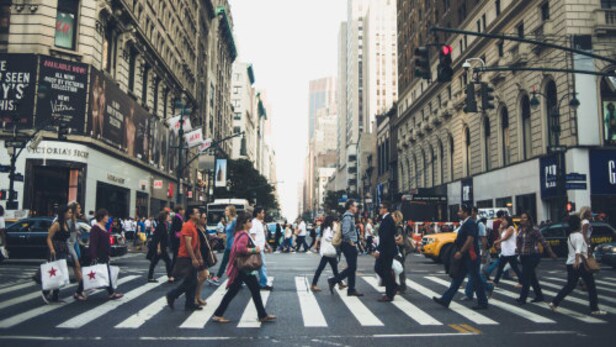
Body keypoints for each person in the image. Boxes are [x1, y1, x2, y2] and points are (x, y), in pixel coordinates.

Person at [212, 213, 276, 323]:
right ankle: (218, 314)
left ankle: (262, 315)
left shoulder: (243, 233)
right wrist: (253, 250)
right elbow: (239, 249)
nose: (251, 223)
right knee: (237, 292)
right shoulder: (243, 235)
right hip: (243, 269)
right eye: (249, 221)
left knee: (250, 291)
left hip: (244, 269)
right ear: (244, 224)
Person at [433, 204, 488, 310]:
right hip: (465, 257)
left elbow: (470, 239)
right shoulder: (466, 223)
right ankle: (445, 299)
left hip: (470, 256)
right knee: (457, 279)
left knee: (476, 279)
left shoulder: (470, 223)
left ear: (466, 213)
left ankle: (483, 302)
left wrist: (461, 252)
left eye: (460, 211)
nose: (458, 213)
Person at [549, 215, 606, 315]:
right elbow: (578, 250)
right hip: (580, 264)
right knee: (591, 286)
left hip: (570, 264)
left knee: (570, 286)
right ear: (577, 224)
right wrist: (577, 261)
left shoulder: (570, 236)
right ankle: (594, 309)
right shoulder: (579, 236)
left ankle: (554, 302)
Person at [43, 205, 86, 303]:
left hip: (63, 249)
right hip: (56, 249)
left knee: (61, 272)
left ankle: (55, 295)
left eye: (71, 212)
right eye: (69, 212)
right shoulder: (57, 224)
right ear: (64, 213)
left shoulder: (66, 223)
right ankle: (46, 291)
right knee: (56, 271)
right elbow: (49, 238)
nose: (71, 214)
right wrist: (52, 249)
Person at [166, 207, 203, 311]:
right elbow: (188, 244)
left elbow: (196, 245)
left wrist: (199, 257)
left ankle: (189, 303)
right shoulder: (187, 226)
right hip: (185, 257)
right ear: (191, 215)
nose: (199, 214)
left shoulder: (194, 226)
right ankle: (172, 295)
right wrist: (194, 258)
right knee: (190, 281)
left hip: (190, 257)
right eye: (197, 213)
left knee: (192, 281)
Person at [516, 212, 557, 305]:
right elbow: (519, 242)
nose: (522, 219)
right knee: (532, 277)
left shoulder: (534, 229)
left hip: (532, 256)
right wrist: (517, 251)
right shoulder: (520, 229)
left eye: (525, 218)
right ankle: (539, 296)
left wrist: (551, 253)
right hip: (523, 256)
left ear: (529, 219)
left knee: (526, 277)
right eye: (521, 217)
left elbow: (543, 241)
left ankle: (523, 298)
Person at [328, 199, 363, 297]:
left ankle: (351, 289)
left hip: (348, 244)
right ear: (350, 207)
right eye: (355, 206)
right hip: (348, 245)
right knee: (352, 267)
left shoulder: (349, 216)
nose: (356, 208)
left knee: (352, 267)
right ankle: (333, 280)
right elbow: (345, 231)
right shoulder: (348, 217)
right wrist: (350, 241)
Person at [89, 209, 124, 300]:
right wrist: (94, 255)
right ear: (101, 217)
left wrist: (108, 253)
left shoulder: (103, 227)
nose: (108, 217)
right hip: (99, 254)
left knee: (104, 273)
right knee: (100, 273)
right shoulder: (96, 228)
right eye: (106, 216)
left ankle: (111, 293)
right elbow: (93, 243)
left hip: (104, 254)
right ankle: (111, 293)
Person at [462, 208, 495, 300]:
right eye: (470, 211)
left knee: (475, 274)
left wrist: (483, 254)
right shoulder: (469, 223)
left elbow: (484, 240)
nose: (471, 213)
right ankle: (475, 291)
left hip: (479, 251)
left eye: (473, 211)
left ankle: (470, 293)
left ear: (476, 213)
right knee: (473, 274)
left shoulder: (479, 224)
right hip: (471, 251)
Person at [310, 216, 346, 292]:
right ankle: (313, 284)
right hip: (329, 251)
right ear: (331, 221)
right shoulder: (329, 227)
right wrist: (334, 238)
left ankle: (339, 283)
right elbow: (327, 237)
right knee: (321, 269)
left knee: (334, 269)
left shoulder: (327, 227)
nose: (335, 222)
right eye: (334, 220)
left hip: (328, 251)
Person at [373, 202, 398, 302]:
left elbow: (385, 237)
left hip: (386, 250)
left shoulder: (387, 220)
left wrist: (378, 250)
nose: (379, 209)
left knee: (384, 270)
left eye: (381, 208)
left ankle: (389, 294)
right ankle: (393, 286)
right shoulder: (386, 219)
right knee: (380, 268)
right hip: (386, 249)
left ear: (385, 209)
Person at [210, 205, 238, 286]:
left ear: (231, 211)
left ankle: (218, 277)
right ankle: (239, 279)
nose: (225, 212)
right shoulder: (229, 222)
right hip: (228, 245)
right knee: (228, 263)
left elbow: (237, 233)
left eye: (227, 210)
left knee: (232, 263)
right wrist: (221, 236)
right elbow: (228, 233)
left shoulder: (234, 221)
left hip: (233, 246)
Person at [492, 216, 523, 286]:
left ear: (508, 221)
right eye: (502, 220)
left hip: (510, 251)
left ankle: (522, 281)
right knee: (502, 267)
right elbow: (502, 238)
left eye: (504, 220)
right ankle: (495, 281)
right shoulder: (505, 229)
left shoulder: (511, 228)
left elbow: (505, 238)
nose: (502, 221)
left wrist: (496, 242)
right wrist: (500, 231)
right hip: (505, 251)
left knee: (513, 268)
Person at [250, 207, 273, 290]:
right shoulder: (254, 222)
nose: (264, 214)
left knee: (254, 267)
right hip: (258, 249)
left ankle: (240, 280)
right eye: (262, 212)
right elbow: (252, 236)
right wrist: (256, 248)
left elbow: (261, 237)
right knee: (262, 266)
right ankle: (263, 284)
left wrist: (267, 246)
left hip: (260, 248)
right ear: (258, 213)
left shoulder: (260, 223)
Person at [147, 210, 172, 283]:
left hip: (162, 248)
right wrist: (158, 248)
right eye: (168, 215)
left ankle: (150, 277)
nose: (169, 217)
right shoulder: (161, 226)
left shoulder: (163, 225)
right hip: (160, 248)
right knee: (168, 261)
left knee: (154, 262)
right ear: (164, 217)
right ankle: (170, 276)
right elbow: (158, 238)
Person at [195, 212, 214, 306]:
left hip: (205, 255)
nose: (205, 220)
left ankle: (198, 297)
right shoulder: (196, 229)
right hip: (200, 256)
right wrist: (198, 257)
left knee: (203, 276)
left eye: (206, 218)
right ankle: (195, 297)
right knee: (203, 275)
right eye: (203, 218)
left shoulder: (204, 228)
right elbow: (197, 244)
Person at [66, 202, 84, 295]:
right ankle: (81, 287)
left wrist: (77, 232)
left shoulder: (74, 219)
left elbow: (73, 233)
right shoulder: (70, 220)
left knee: (77, 267)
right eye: (79, 208)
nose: (80, 209)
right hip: (70, 246)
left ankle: (81, 288)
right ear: (74, 209)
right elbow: (68, 238)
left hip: (75, 244)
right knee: (76, 266)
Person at [392, 211, 408, 293]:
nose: (392, 218)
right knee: (399, 269)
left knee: (399, 269)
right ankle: (401, 286)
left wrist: (392, 240)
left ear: (397, 217)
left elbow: (400, 240)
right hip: (400, 250)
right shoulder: (399, 226)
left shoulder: (398, 227)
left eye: (393, 216)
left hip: (399, 251)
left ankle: (401, 287)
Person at [169, 206, 185, 283]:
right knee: (176, 257)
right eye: (182, 209)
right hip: (176, 241)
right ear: (179, 211)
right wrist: (183, 226)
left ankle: (175, 274)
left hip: (177, 240)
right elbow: (177, 229)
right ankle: (172, 274)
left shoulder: (178, 218)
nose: (184, 211)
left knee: (177, 257)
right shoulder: (177, 218)